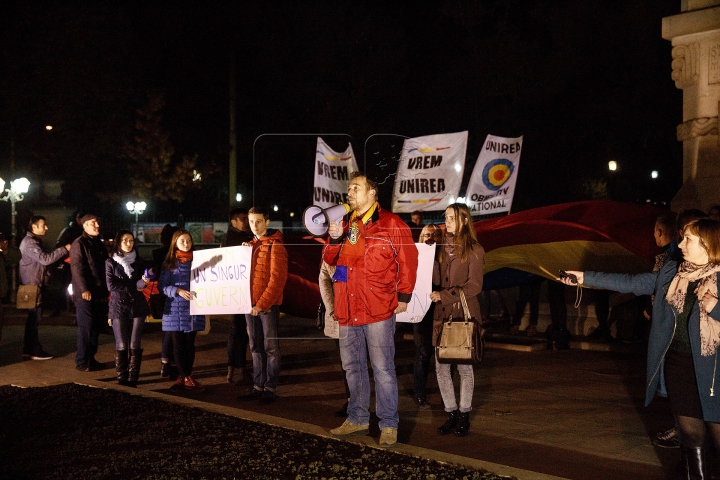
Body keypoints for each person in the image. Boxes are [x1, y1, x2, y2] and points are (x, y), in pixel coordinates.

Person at [560, 218, 720, 479]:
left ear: (708, 244)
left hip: (715, 371)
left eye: (688, 239)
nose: (681, 244)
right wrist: (584, 277)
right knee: (691, 436)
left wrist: (717, 307)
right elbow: (632, 282)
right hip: (678, 366)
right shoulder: (672, 272)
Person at [324, 171, 418, 448]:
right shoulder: (346, 224)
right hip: (348, 307)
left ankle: (389, 424)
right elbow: (330, 260)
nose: (350, 192)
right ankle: (358, 418)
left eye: (356, 188)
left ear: (372, 193)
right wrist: (334, 239)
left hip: (377, 307)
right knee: (352, 367)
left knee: (383, 369)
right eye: (349, 188)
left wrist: (404, 295)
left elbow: (408, 261)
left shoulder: (392, 224)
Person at [429, 203, 484, 437]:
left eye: (451, 217)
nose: (447, 221)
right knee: (441, 367)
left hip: (463, 313)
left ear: (463, 220)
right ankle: (450, 412)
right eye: (446, 217)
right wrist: (429, 255)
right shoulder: (441, 248)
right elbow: (435, 279)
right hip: (442, 316)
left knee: (464, 367)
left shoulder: (474, 249)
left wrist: (444, 295)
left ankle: (464, 414)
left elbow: (475, 286)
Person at [238, 206, 288, 404]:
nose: (254, 225)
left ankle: (270, 387)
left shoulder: (276, 246)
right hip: (249, 305)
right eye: (251, 222)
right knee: (255, 346)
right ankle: (257, 385)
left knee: (270, 347)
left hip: (266, 306)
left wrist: (261, 304)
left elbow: (277, 280)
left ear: (267, 222)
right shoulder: (249, 246)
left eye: (258, 221)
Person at [159, 229, 206, 392]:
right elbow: (162, 287)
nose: (186, 244)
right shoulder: (169, 264)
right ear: (175, 244)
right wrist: (178, 291)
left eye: (188, 241)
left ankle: (185, 376)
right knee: (178, 346)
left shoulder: (200, 261)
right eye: (182, 241)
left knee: (189, 345)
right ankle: (185, 376)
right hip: (174, 310)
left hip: (194, 309)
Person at [18, 217, 69, 360]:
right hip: (33, 285)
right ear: (33, 227)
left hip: (34, 283)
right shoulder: (30, 243)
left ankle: (28, 349)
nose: (46, 228)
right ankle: (35, 350)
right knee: (34, 319)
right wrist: (64, 249)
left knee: (32, 319)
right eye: (43, 225)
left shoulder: (33, 242)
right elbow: (45, 259)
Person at [106, 230, 152, 387]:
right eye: (125, 240)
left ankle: (133, 378)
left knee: (135, 343)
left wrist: (145, 280)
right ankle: (122, 377)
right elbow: (111, 285)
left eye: (131, 240)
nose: (128, 243)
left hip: (138, 305)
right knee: (122, 344)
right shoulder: (111, 262)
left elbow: (142, 283)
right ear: (118, 242)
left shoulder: (138, 261)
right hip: (119, 306)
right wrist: (135, 286)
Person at [71, 213, 109, 371]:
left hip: (99, 292)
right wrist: (84, 289)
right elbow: (77, 268)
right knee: (86, 327)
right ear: (85, 225)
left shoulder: (98, 244)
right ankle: (81, 360)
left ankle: (90, 358)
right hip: (85, 294)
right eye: (93, 223)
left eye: (98, 222)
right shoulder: (79, 244)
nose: (97, 225)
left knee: (96, 327)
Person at [222, 208, 253, 384]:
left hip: (238, 291)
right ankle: (238, 368)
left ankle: (232, 369)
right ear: (233, 222)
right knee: (240, 330)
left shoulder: (229, 239)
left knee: (237, 330)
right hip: (240, 291)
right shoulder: (236, 240)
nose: (247, 222)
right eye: (243, 219)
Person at [413, 223, 441, 409]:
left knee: (443, 354)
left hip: (440, 311)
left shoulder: (445, 259)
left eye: (433, 235)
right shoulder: (414, 258)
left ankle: (445, 394)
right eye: (425, 235)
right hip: (421, 313)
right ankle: (420, 394)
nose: (429, 238)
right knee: (423, 353)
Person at [319, 259, 351, 416]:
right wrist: (332, 308)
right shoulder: (330, 252)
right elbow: (324, 279)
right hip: (339, 317)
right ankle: (352, 400)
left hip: (357, 316)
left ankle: (359, 402)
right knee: (346, 363)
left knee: (356, 363)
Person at [152, 224, 178, 379]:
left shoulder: (158, 253)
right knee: (173, 330)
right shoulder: (171, 255)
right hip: (173, 295)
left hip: (166, 295)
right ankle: (169, 363)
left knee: (169, 330)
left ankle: (165, 362)